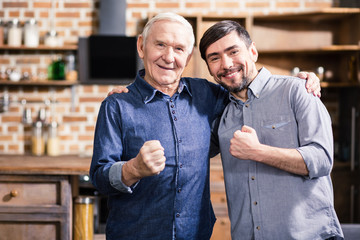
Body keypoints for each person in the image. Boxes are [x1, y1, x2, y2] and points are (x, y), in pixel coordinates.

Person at [92, 13, 321, 240]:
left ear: (189, 56)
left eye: (179, 49)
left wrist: (293, 82)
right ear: (142, 46)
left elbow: (246, 87)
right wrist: (133, 169)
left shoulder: (208, 94)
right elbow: (99, 176)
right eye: (160, 45)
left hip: (196, 234)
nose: (169, 57)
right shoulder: (117, 105)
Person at [199, 20, 344, 239]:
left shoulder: (297, 90)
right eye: (215, 58)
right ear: (209, 68)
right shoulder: (222, 116)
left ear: (253, 51)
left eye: (233, 51)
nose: (226, 64)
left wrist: (258, 151)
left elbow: (322, 159)